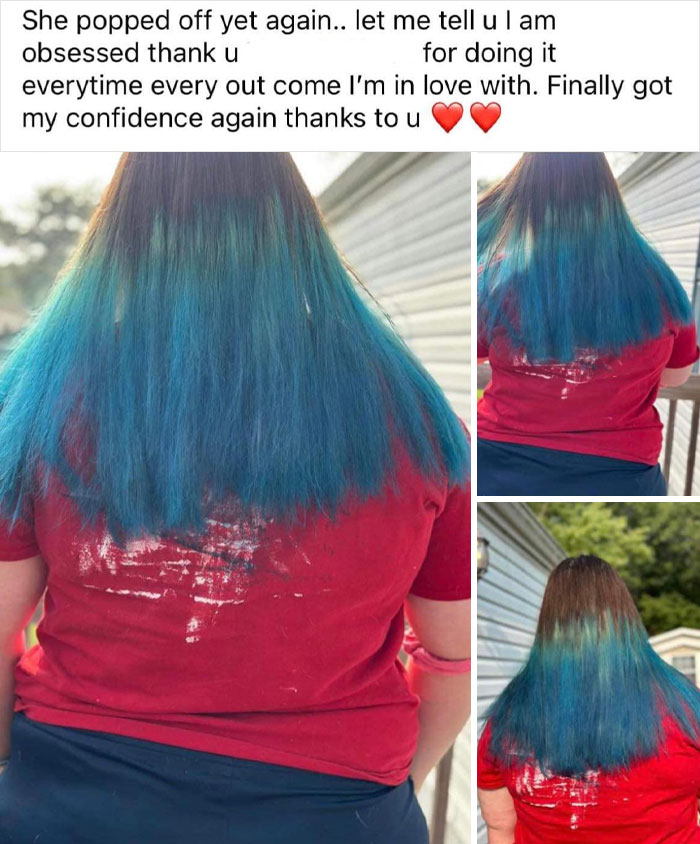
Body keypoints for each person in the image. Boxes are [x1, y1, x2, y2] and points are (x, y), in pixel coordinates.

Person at [0, 153, 470, 844]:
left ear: (123, 232)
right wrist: (391, 789)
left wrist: (14, 767)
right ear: (294, 233)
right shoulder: (419, 421)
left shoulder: (42, 403)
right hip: (338, 813)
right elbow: (454, 664)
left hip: (73, 802)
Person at [477, 153, 699, 495]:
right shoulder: (660, 282)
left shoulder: (496, 279)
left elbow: (473, 356)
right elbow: (676, 375)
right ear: (609, 198)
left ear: (527, 201)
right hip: (623, 472)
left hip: (499, 465)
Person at [478, 555, 700, 844]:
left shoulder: (507, 719)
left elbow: (500, 829)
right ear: (626, 616)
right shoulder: (685, 709)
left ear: (549, 623)